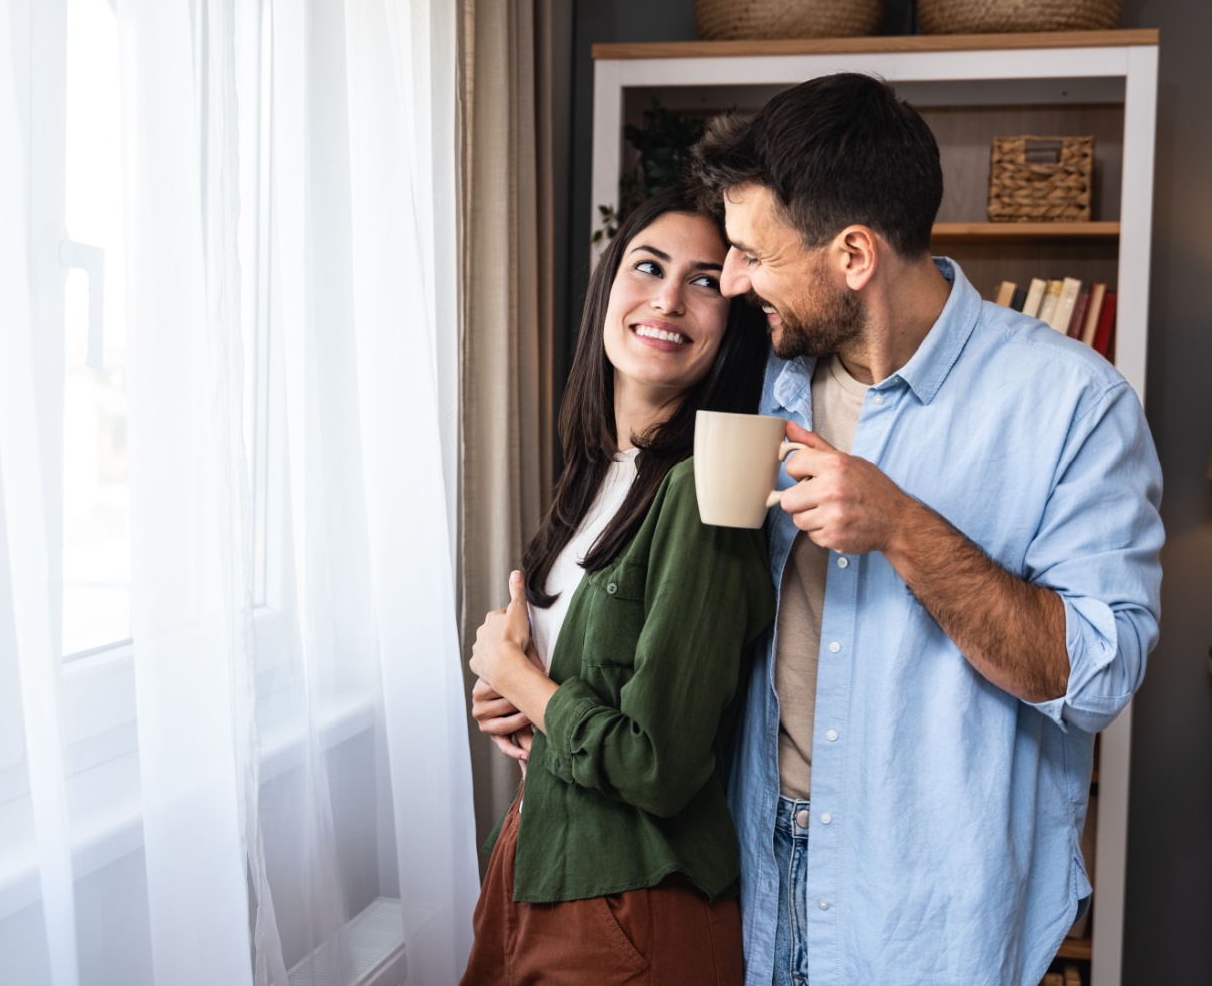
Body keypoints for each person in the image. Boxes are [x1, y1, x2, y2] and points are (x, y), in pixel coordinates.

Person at [692, 73, 1164, 985]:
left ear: (855, 254)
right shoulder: (766, 372)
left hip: (932, 912)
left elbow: (1095, 675)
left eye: (756, 253)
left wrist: (904, 527)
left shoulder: (1074, 404)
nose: (735, 278)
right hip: (753, 865)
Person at [461, 185, 775, 985]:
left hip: (634, 901)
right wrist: (515, 697)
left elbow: (656, 765)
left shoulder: (708, 488)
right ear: (609, 287)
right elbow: (579, 693)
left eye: (706, 281)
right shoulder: (595, 478)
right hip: (536, 863)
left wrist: (519, 680)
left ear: (730, 322)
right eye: (648, 266)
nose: (668, 298)